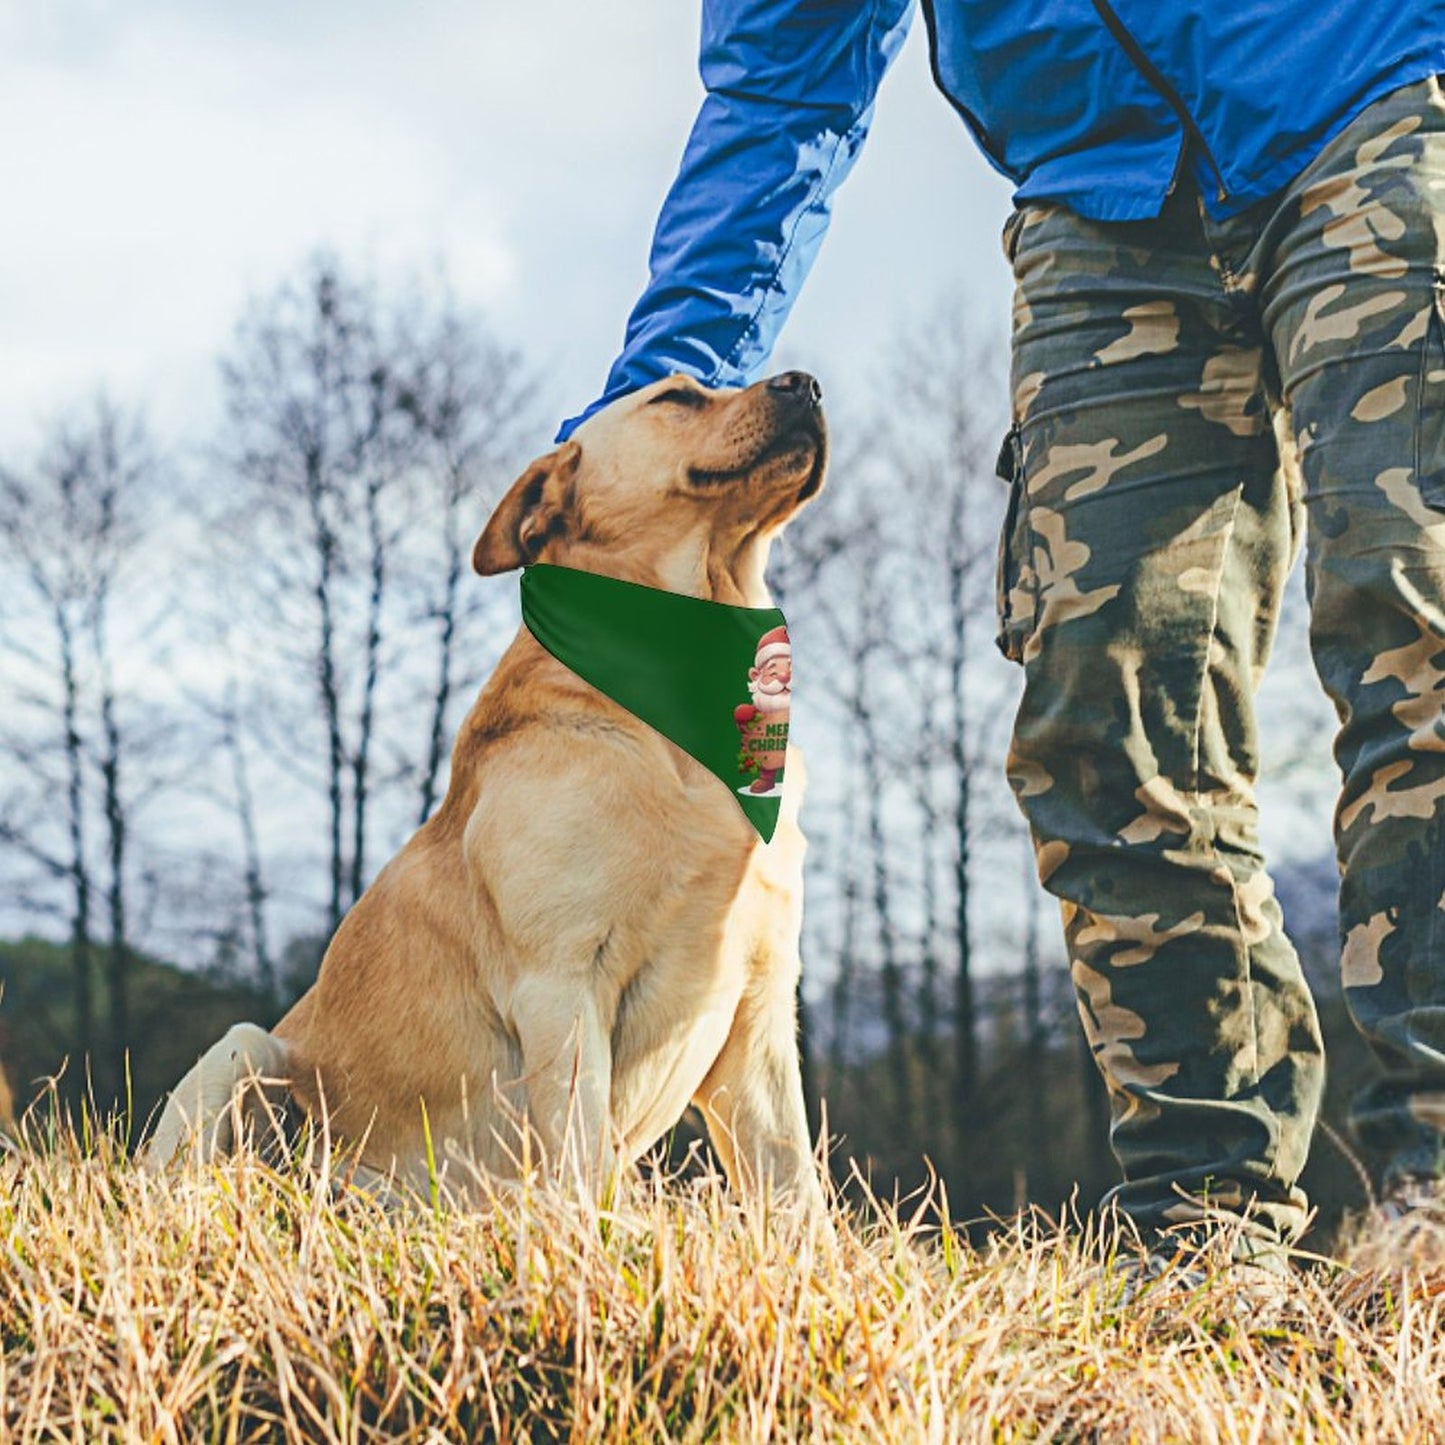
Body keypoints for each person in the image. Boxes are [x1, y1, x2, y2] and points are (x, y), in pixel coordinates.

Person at [558, 0, 1445, 1263]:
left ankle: (1433, 1201)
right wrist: (647, 421)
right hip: (1099, 196)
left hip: (1373, 84)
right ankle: (1206, 1230)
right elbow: (781, 88)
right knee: (1105, 718)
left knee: (1414, 624)